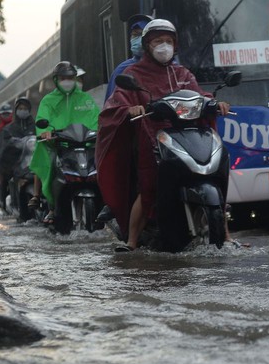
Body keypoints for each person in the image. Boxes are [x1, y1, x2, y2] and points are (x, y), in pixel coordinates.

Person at [96, 18, 231, 251]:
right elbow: (115, 104)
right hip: (151, 139)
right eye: (158, 41)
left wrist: (214, 103)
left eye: (168, 41)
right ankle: (132, 241)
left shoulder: (182, 73)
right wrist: (131, 109)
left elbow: (197, 94)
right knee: (148, 186)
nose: (164, 46)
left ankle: (227, 236)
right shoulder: (134, 73)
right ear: (148, 45)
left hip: (188, 135)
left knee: (216, 171)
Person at [29, 61, 100, 219]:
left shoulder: (85, 99)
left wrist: (100, 130)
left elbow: (96, 118)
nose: (67, 81)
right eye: (63, 78)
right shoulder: (48, 100)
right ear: (56, 79)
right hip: (59, 143)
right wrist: (45, 132)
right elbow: (42, 119)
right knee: (49, 162)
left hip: (84, 143)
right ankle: (51, 205)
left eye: (70, 77)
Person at [0, 97, 36, 211]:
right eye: (20, 108)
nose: (23, 110)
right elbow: (1, 151)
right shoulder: (8, 130)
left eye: (25, 108)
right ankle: (4, 204)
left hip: (35, 164)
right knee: (5, 181)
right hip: (16, 167)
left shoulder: (36, 127)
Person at [105, 14, 153, 101]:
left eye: (142, 34)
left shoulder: (171, 69)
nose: (138, 39)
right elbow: (112, 106)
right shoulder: (123, 70)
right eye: (135, 35)